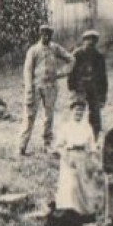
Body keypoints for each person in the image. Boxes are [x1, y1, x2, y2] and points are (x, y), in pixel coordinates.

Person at [20, 24, 72, 155]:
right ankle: (22, 145)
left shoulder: (55, 48)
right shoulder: (33, 50)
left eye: (48, 34)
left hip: (51, 87)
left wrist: (62, 73)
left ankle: (47, 144)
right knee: (30, 115)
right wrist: (28, 88)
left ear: (51, 35)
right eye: (43, 33)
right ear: (40, 34)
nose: (46, 36)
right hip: (36, 86)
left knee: (49, 116)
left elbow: (71, 59)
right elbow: (27, 70)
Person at [53, 100, 105, 217]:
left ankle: (82, 211)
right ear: (71, 111)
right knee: (71, 183)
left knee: (84, 184)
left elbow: (92, 145)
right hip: (69, 156)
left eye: (81, 111)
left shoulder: (87, 127)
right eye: (76, 110)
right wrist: (65, 156)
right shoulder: (65, 127)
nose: (79, 113)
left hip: (83, 156)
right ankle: (68, 210)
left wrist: (94, 157)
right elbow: (58, 146)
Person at [68, 30, 109, 137]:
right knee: (78, 111)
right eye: (87, 39)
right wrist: (72, 89)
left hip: (93, 88)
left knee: (95, 114)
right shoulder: (77, 54)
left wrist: (103, 95)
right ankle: (75, 135)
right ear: (84, 40)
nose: (90, 42)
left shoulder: (99, 56)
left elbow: (103, 76)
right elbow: (71, 72)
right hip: (79, 88)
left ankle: (94, 137)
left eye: (93, 40)